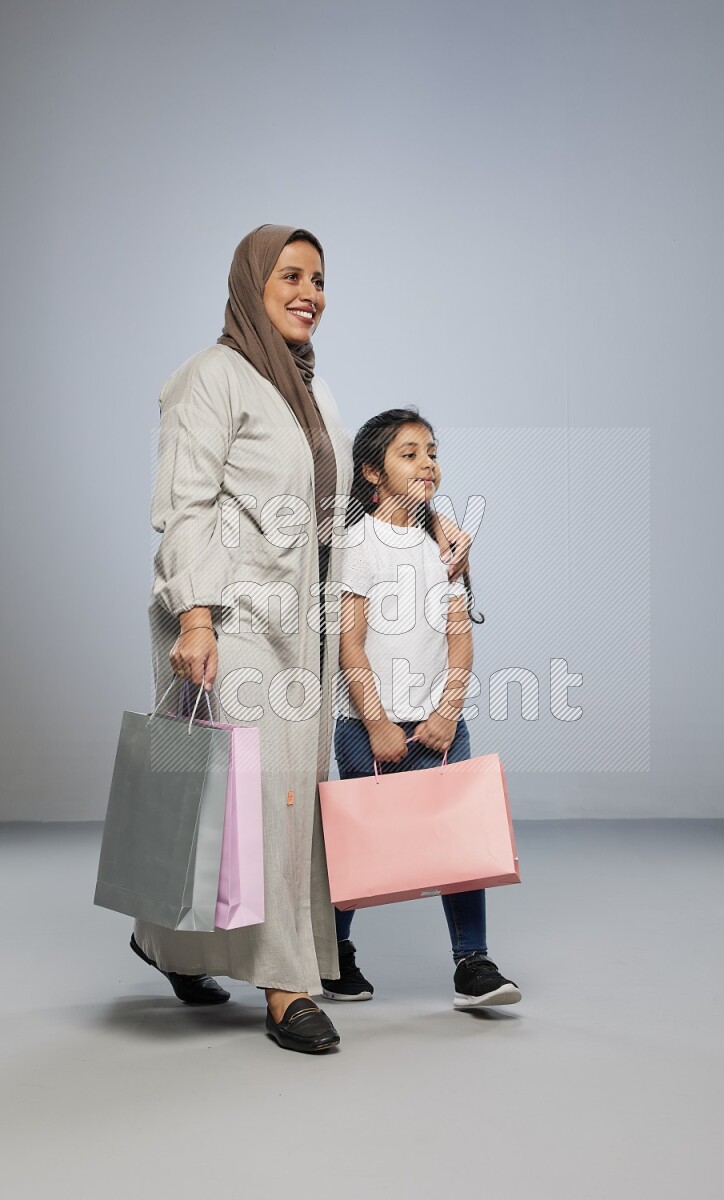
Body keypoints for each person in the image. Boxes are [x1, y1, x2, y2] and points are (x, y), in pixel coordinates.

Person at [130, 224, 355, 1054]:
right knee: (258, 797)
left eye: (321, 279)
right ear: (251, 284)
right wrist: (195, 617)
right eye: (291, 275)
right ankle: (285, 985)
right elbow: (183, 503)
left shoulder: (312, 392)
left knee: (261, 797)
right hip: (229, 618)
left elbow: (337, 516)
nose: (310, 292)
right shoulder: (209, 378)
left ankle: (167, 942)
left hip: (305, 623)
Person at [321, 408, 521, 1009]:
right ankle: (333, 954)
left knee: (457, 839)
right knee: (362, 842)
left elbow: (460, 635)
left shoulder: (445, 545)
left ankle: (473, 963)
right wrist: (379, 721)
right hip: (368, 724)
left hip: (441, 721)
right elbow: (349, 642)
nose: (426, 463)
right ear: (371, 473)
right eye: (408, 453)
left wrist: (447, 711)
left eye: (431, 451)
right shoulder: (357, 544)